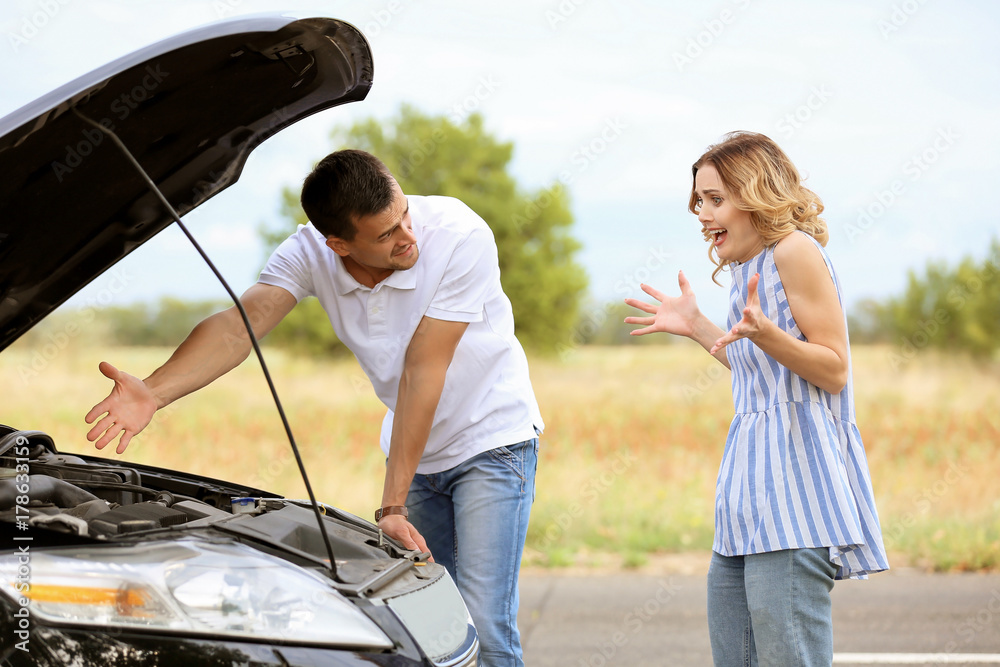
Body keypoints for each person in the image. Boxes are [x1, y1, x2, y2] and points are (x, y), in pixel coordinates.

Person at [85, 149, 543, 667]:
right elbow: (243, 324)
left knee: (484, 623)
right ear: (339, 244)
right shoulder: (308, 252)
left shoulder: (460, 234)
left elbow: (423, 370)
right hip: (415, 452)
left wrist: (391, 507)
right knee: (428, 625)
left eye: (405, 217)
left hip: (492, 442)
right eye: (386, 235)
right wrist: (155, 390)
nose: (407, 237)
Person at [625, 132, 888, 665]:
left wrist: (767, 334)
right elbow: (761, 373)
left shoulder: (795, 251)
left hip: (797, 499)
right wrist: (699, 326)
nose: (702, 214)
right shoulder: (746, 269)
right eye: (699, 201)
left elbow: (834, 370)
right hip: (746, 499)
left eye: (715, 198)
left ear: (756, 194)